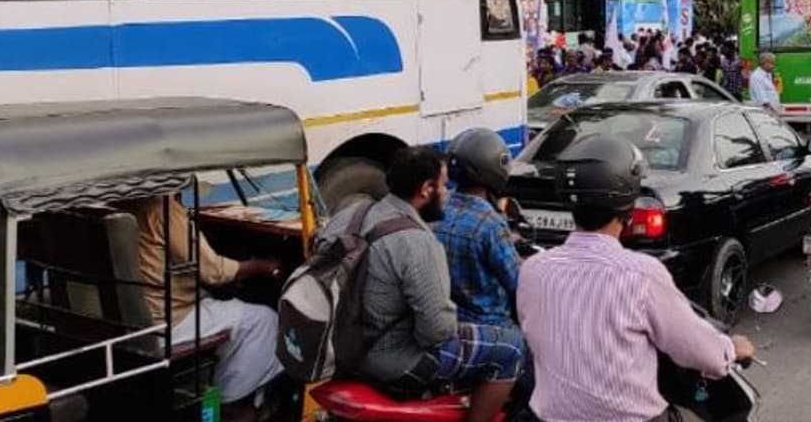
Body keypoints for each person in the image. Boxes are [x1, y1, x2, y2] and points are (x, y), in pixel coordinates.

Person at [516, 135, 756, 422]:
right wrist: (731, 348)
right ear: (628, 203)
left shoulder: (533, 271)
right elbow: (699, 350)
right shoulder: (641, 273)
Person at [323, 146, 522, 422]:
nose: (446, 193)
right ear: (427, 189)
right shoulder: (418, 242)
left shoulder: (350, 215)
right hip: (393, 360)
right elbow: (436, 333)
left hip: (339, 345)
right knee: (511, 348)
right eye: (443, 186)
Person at [122, 196, 284, 421]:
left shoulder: (111, 204)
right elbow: (214, 272)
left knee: (229, 321)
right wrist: (260, 266)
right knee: (263, 320)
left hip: (124, 318)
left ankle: (213, 400)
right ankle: (232, 407)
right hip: (167, 323)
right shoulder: (160, 208)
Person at [434, 128, 536, 404]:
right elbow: (518, 285)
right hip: (490, 327)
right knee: (536, 383)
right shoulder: (489, 222)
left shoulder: (438, 208)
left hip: (448, 324)